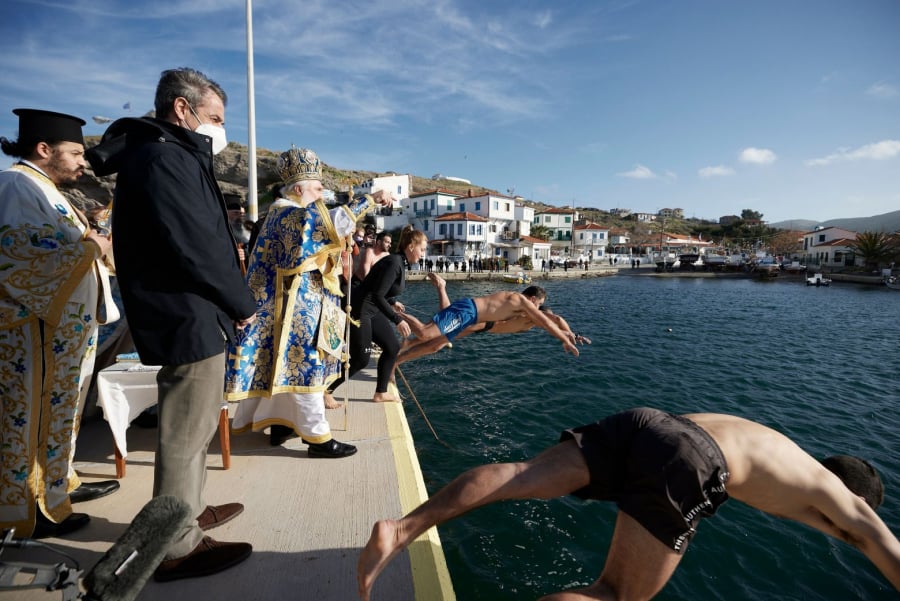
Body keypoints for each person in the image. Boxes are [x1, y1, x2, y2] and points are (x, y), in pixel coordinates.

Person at [358, 407, 900, 600]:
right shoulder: (833, 497)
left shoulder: (786, 451)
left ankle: (401, 529)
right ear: (853, 498)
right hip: (695, 457)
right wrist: (866, 531)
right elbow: (875, 539)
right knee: (615, 595)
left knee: (522, 476)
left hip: (656, 422)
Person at [85, 67, 257, 582]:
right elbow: (197, 244)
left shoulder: (163, 154)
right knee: (185, 431)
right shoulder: (165, 158)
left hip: (190, 311)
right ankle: (177, 545)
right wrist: (242, 302)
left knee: (198, 423)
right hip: (188, 313)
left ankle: (187, 509)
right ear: (182, 109)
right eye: (216, 117)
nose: (221, 129)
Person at [0, 108, 121, 539]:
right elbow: (20, 253)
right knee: (29, 417)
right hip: (34, 333)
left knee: (58, 413)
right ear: (44, 149)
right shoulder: (16, 185)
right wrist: (91, 245)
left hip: (62, 331)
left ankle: (56, 487)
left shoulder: (44, 187)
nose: (82, 161)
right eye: (74, 152)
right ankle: (27, 509)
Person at [224, 146, 392, 455]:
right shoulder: (288, 214)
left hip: (293, 306)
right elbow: (319, 222)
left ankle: (282, 425)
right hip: (291, 311)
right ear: (299, 189)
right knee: (306, 369)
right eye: (317, 188)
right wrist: (370, 199)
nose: (322, 193)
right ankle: (318, 438)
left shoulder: (283, 213)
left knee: (287, 371)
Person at [325, 225, 427, 403]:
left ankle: (380, 392)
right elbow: (376, 294)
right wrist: (397, 320)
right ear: (411, 246)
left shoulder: (398, 262)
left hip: (371, 308)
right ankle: (326, 391)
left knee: (392, 347)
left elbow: (378, 289)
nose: (423, 254)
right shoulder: (394, 263)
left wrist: (392, 302)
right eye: (422, 249)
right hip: (360, 309)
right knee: (360, 359)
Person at [396, 275, 591, 363]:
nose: (538, 309)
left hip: (474, 321)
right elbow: (552, 320)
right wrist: (566, 339)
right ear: (532, 300)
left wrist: (570, 335)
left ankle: (397, 360)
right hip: (471, 313)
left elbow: (553, 323)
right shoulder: (519, 301)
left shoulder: (524, 313)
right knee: (425, 333)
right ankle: (394, 310)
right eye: (539, 304)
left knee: (434, 345)